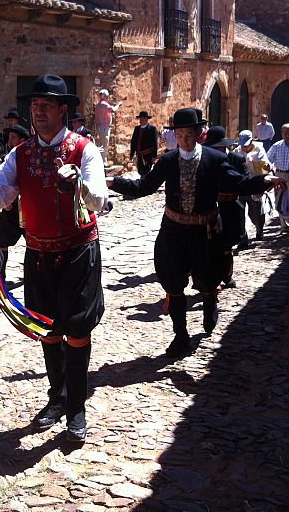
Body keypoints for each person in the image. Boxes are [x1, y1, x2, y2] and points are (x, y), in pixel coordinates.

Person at [0, 74, 107, 443]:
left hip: (79, 251)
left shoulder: (84, 150)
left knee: (77, 330)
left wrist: (77, 182)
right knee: (47, 328)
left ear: (63, 110)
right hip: (39, 255)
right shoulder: (21, 154)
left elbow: (100, 200)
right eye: (34, 107)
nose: (38, 114)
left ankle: (76, 406)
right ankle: (58, 397)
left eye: (46, 107)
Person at [107, 109, 279, 357]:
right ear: (175, 135)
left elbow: (239, 184)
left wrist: (264, 181)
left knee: (208, 278)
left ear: (199, 134)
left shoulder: (215, 160)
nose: (184, 139)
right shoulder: (167, 162)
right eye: (180, 135)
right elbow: (144, 186)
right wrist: (114, 182)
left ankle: (210, 301)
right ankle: (181, 335)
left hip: (205, 232)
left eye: (189, 134)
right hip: (173, 232)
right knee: (174, 285)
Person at [202, 127, 248, 288]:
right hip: (212, 207)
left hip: (231, 207)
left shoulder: (237, 160)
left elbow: (244, 182)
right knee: (212, 244)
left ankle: (227, 276)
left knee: (228, 244)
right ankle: (213, 277)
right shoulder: (207, 161)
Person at [0, 125, 29, 281]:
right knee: (1, 239)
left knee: (35, 243)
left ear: (22, 140)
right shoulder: (10, 158)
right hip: (11, 208)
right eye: (9, 138)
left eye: (13, 138)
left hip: (29, 208)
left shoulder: (30, 157)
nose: (10, 141)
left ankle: (34, 275)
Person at [237, 130, 271, 242]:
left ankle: (259, 230)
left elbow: (265, 165)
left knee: (256, 212)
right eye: (243, 145)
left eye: (246, 145)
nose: (244, 148)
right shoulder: (237, 151)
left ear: (251, 141)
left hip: (255, 185)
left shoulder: (259, 149)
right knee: (240, 213)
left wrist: (266, 167)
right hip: (242, 186)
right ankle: (243, 237)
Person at [94, 88, 121, 166]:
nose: (108, 97)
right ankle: (103, 161)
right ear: (105, 96)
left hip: (101, 127)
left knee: (102, 143)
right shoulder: (103, 104)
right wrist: (119, 104)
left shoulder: (99, 104)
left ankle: (103, 160)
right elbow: (114, 109)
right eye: (107, 96)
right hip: (104, 127)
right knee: (104, 144)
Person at [129, 111, 159, 177]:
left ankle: (145, 184)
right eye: (140, 119)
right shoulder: (137, 129)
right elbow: (133, 142)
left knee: (146, 171)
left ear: (146, 119)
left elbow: (155, 143)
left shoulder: (152, 129)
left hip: (148, 155)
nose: (141, 120)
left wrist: (154, 156)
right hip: (139, 155)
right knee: (140, 171)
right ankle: (143, 184)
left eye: (142, 118)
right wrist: (132, 154)